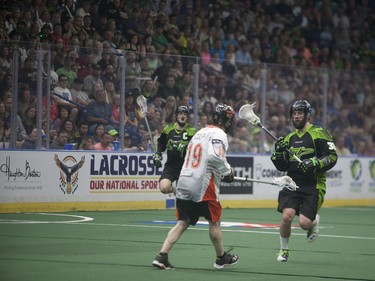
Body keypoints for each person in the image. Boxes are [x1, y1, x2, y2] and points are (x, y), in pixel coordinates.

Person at [152, 104, 239, 270]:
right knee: (214, 222)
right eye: (230, 120)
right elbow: (214, 156)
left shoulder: (200, 132)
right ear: (225, 120)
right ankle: (221, 258)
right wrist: (227, 172)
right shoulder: (219, 134)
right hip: (203, 186)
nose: (231, 123)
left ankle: (162, 256)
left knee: (182, 222)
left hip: (185, 180)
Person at [270, 100, 338, 262]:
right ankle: (284, 250)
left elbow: (332, 157)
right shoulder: (289, 137)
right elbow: (282, 164)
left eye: (300, 113)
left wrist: (315, 162)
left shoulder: (319, 133)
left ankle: (313, 223)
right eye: (294, 113)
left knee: (304, 223)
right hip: (292, 183)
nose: (296, 116)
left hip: (313, 185)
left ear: (308, 116)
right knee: (287, 216)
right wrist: (278, 153)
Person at [151, 106, 196, 194]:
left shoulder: (192, 131)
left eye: (185, 114)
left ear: (187, 117)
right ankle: (174, 190)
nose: (182, 116)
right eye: (180, 114)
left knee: (184, 195)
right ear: (176, 116)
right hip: (171, 166)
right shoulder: (168, 128)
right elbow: (161, 144)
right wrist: (158, 155)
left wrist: (186, 148)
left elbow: (196, 149)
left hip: (185, 167)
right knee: (164, 188)